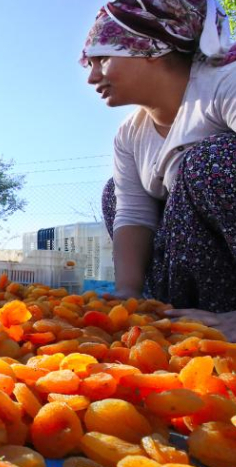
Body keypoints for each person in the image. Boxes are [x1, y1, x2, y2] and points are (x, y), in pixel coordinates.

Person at [82, 0, 236, 337]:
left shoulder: (225, 82)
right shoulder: (129, 135)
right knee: (115, 193)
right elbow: (133, 215)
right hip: (199, 275)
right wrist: (127, 297)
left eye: (103, 59)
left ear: (150, 47)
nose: (92, 77)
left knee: (210, 161)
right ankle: (178, 311)